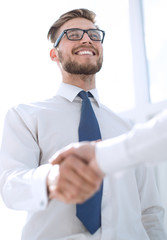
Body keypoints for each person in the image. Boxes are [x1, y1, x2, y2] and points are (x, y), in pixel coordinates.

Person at [0, 8, 166, 240]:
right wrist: (50, 178)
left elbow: (150, 210)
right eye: (74, 34)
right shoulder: (25, 116)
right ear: (54, 54)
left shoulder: (129, 130)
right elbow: (10, 187)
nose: (87, 38)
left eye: (94, 35)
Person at [50, 108, 167, 202]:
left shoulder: (127, 126)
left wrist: (98, 155)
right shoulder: (33, 117)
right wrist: (49, 178)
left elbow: (150, 208)